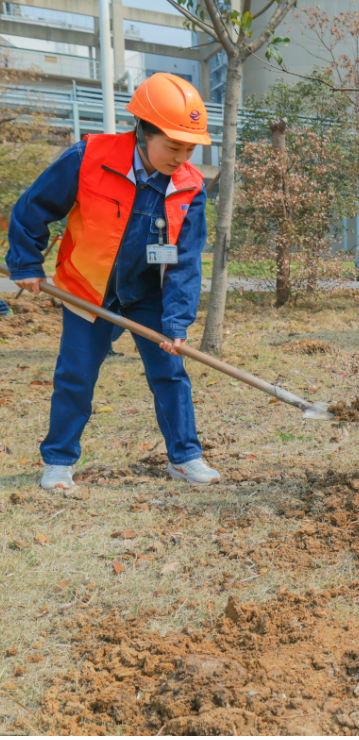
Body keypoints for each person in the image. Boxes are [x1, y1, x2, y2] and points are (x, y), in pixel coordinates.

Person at [5, 72, 222, 490]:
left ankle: (184, 457)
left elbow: (185, 260)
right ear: (142, 131)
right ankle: (58, 461)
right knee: (76, 375)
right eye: (173, 146)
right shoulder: (89, 157)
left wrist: (176, 323)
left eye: (190, 148)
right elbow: (34, 207)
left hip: (148, 295)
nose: (181, 157)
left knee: (170, 374)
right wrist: (26, 262)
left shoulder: (190, 187)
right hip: (88, 290)